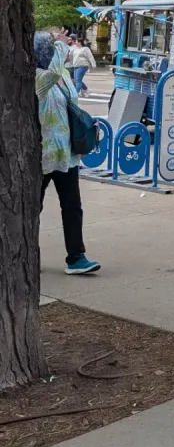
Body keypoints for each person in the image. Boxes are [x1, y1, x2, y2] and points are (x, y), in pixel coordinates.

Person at [34, 30, 101, 275]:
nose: (56, 51)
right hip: (42, 155)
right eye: (50, 48)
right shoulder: (36, 77)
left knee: (72, 206)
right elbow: (50, 74)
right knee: (33, 209)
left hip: (67, 153)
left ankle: (76, 257)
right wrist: (62, 45)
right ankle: (27, 256)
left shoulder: (63, 74)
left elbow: (72, 104)